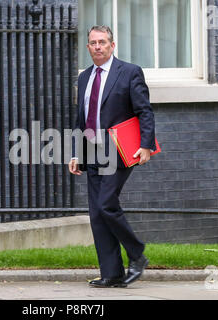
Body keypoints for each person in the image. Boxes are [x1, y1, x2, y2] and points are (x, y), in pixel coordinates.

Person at [68, 25, 156, 288]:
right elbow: (80, 119)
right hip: (92, 151)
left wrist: (147, 145)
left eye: (102, 42)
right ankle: (112, 273)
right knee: (97, 213)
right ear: (88, 47)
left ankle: (137, 254)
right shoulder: (84, 77)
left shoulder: (129, 72)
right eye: (93, 43)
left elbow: (145, 111)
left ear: (112, 45)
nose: (97, 46)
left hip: (120, 150)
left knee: (106, 203)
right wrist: (75, 152)